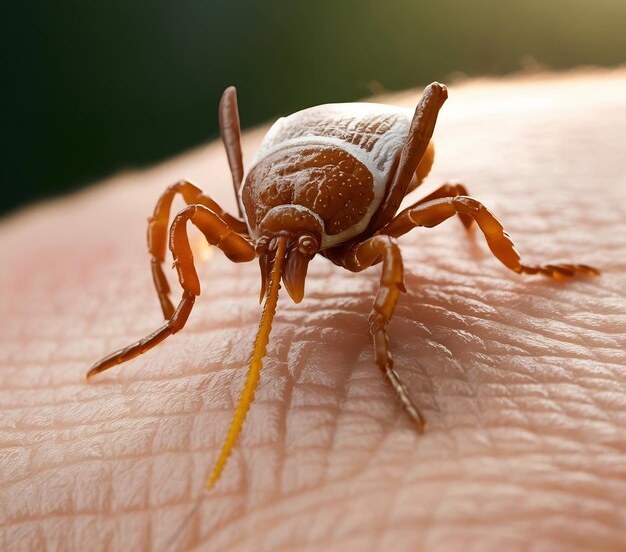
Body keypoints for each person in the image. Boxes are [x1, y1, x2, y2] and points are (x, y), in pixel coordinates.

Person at [1, 70, 625, 552]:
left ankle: (505, 276)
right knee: (190, 205)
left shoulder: (367, 235)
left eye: (288, 249)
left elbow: (399, 248)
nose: (280, 260)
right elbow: (186, 209)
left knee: (428, 221)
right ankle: (177, 312)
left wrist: (382, 335)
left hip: (363, 160)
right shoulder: (251, 217)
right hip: (303, 159)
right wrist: (182, 305)